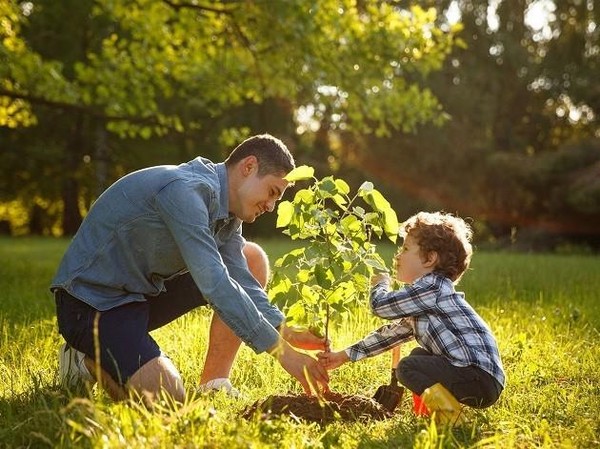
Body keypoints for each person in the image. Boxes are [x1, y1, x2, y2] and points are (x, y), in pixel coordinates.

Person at [51, 133, 329, 404]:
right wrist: (284, 354)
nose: (270, 206)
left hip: (138, 295)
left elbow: (241, 278)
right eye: (272, 192)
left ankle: (214, 383)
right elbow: (215, 283)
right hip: (90, 304)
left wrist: (284, 330)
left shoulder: (229, 214)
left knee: (251, 258)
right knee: (168, 400)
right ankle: (84, 360)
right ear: (249, 166)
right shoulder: (185, 191)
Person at [318, 211, 505, 424]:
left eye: (405, 249)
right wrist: (343, 356)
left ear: (430, 258)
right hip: (481, 378)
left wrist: (380, 284)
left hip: (477, 377)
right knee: (419, 355)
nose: (398, 255)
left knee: (407, 368)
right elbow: (390, 335)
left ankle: (452, 419)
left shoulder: (432, 287)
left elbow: (381, 306)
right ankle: (431, 413)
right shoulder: (427, 297)